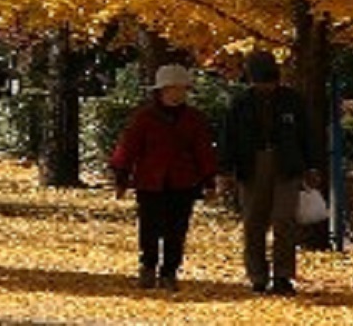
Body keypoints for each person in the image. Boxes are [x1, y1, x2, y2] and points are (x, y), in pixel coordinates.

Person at [109, 64, 218, 291]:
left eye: (181, 89)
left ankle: (169, 271)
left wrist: (209, 180)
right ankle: (148, 266)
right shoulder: (145, 118)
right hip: (150, 181)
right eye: (172, 89)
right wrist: (122, 176)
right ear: (162, 91)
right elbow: (129, 147)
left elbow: (203, 150)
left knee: (176, 230)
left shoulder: (194, 119)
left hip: (183, 181)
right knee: (149, 228)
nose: (177, 94)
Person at [220, 51, 320, 295]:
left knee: (284, 220)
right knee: (254, 221)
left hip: (286, 164)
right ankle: (257, 275)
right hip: (251, 164)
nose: (266, 86)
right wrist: (225, 169)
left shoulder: (292, 101)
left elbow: (307, 134)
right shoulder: (241, 104)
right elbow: (228, 138)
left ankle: (283, 275)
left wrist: (312, 166)